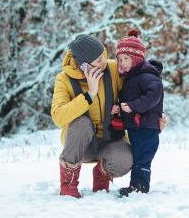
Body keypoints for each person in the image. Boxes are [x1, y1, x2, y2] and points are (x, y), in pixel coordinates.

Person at [51, 34, 168, 198]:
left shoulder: (112, 70)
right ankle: (69, 184)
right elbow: (58, 117)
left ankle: (102, 174)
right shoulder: (63, 80)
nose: (105, 62)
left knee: (125, 160)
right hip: (80, 144)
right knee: (81, 123)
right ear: (84, 65)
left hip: (110, 138)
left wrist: (155, 115)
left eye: (103, 55)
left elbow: (138, 91)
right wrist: (89, 94)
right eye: (99, 60)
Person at [113, 30, 164, 198]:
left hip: (147, 126)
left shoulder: (147, 76)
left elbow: (153, 95)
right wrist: (121, 109)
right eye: (120, 59)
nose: (123, 62)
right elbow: (131, 98)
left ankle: (139, 186)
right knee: (138, 156)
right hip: (136, 126)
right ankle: (135, 184)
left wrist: (133, 106)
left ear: (137, 58)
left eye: (126, 58)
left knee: (143, 157)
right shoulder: (132, 77)